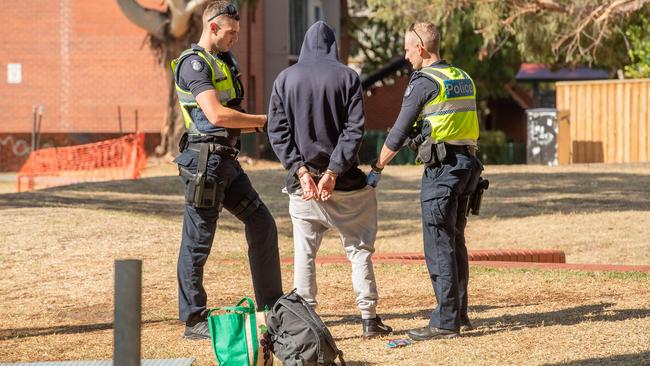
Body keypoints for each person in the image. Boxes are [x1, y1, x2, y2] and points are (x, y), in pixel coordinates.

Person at [267, 21, 392, 338]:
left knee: (304, 254)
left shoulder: (285, 79)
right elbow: (354, 131)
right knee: (359, 250)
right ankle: (368, 318)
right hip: (347, 185)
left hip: (303, 188)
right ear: (333, 46)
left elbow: (278, 133)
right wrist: (334, 172)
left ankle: (306, 319)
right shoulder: (348, 77)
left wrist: (302, 172)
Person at [171, 1, 282, 340]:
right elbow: (217, 116)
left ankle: (272, 306)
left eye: (237, 32)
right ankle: (193, 320)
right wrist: (263, 121)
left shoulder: (224, 62)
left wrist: (262, 123)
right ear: (213, 27)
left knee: (262, 223)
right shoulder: (193, 65)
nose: (235, 38)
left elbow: (234, 113)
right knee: (198, 240)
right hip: (204, 164)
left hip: (227, 163)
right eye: (231, 32)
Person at [367, 22, 483, 341]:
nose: (406, 58)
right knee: (455, 241)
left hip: (442, 171)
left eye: (407, 51)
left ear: (420, 48)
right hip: (468, 166)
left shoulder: (423, 82)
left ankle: (445, 322)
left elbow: (399, 130)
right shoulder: (461, 77)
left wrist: (378, 165)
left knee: (438, 244)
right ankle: (459, 314)